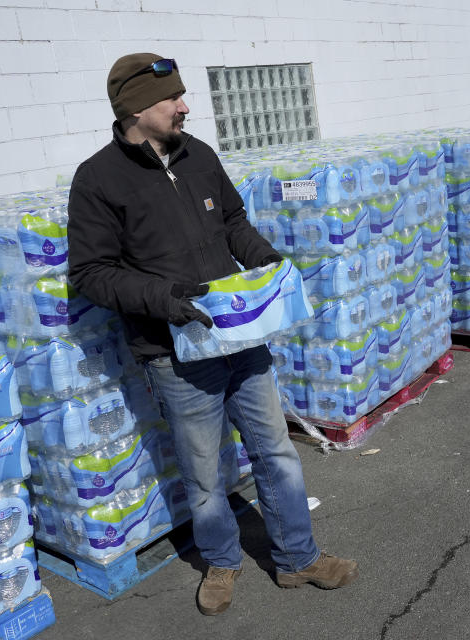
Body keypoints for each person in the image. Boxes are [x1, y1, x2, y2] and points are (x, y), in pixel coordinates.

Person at [66, 53, 359, 615]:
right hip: (176, 353)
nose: (185, 106)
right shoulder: (98, 179)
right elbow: (90, 273)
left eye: (181, 96)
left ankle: (298, 559)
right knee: (204, 473)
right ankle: (221, 563)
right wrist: (165, 301)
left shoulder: (198, 154)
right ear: (134, 109)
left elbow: (231, 221)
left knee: (276, 451)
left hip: (241, 338)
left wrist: (268, 262)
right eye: (172, 99)